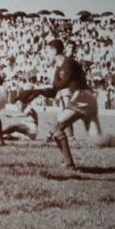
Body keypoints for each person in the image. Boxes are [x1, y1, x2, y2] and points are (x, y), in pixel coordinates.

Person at [44, 39, 101, 169]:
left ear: (54, 51)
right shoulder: (60, 65)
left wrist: (44, 88)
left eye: (47, 52)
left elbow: (60, 84)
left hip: (82, 98)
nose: (46, 55)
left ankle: (69, 163)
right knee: (56, 128)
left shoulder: (67, 63)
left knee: (56, 127)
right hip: (82, 98)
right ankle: (68, 162)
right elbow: (55, 88)